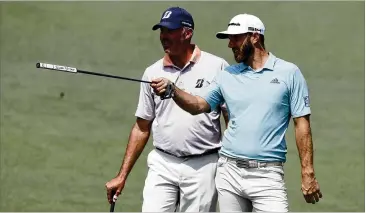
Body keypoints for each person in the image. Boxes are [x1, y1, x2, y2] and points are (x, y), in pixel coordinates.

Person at [151, 13, 323, 212]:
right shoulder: (228, 75)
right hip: (229, 172)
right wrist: (173, 90)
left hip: (268, 175)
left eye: (235, 38)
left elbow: (302, 124)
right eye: (229, 39)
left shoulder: (289, 73)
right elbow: (198, 104)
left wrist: (307, 172)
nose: (230, 44)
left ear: (255, 37)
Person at [105, 6, 229, 212]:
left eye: (169, 31)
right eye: (162, 31)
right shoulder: (152, 72)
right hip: (163, 162)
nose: (163, 36)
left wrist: (229, 164)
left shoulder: (217, 67)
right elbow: (142, 127)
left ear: (187, 33)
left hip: (204, 165)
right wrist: (122, 176)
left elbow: (230, 118)